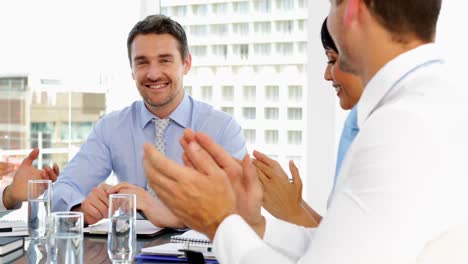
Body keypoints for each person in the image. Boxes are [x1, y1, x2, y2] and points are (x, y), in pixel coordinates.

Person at [143, 0, 468, 263]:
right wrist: (251, 223)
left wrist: (219, 222)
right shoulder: (431, 100)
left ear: (352, 9)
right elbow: (341, 243)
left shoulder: (401, 125)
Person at [51, 14, 246, 226]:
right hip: (129, 251)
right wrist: (80, 208)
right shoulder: (111, 127)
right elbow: (62, 189)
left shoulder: (222, 128)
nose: (153, 74)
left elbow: (241, 209)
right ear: (132, 71)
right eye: (142, 63)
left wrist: (157, 209)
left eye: (165, 60)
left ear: (186, 64)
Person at [253, 17, 363, 228]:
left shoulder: (389, 131)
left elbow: (349, 250)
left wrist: (291, 212)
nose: (326, 76)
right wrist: (290, 199)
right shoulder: (356, 122)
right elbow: (336, 229)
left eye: (332, 60)